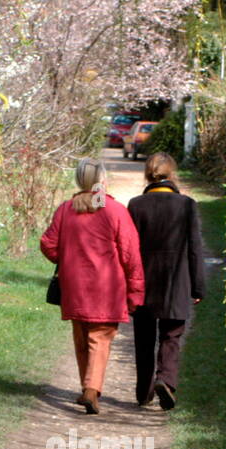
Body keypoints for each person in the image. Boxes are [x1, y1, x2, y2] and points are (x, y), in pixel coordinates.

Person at [40, 157, 145, 414]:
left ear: (79, 180)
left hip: (74, 286)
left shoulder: (66, 209)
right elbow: (131, 254)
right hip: (107, 288)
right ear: (102, 180)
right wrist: (136, 291)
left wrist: (66, 258)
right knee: (99, 338)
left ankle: (87, 387)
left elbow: (48, 244)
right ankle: (91, 389)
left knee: (81, 337)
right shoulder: (115, 210)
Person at [125, 152, 205, 410]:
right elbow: (195, 248)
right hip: (176, 281)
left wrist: (126, 284)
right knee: (172, 335)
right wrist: (198, 286)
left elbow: (129, 249)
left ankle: (143, 391)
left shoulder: (136, 205)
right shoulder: (186, 205)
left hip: (144, 281)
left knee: (144, 337)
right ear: (172, 175)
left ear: (148, 175)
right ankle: (166, 381)